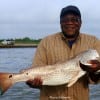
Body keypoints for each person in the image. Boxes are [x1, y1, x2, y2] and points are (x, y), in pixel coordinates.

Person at [26, 5, 100, 100]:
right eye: (65, 20)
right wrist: (34, 84)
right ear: (60, 23)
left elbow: (95, 79)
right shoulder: (45, 42)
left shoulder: (93, 41)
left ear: (80, 23)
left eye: (74, 19)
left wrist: (96, 70)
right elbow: (36, 74)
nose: (69, 23)